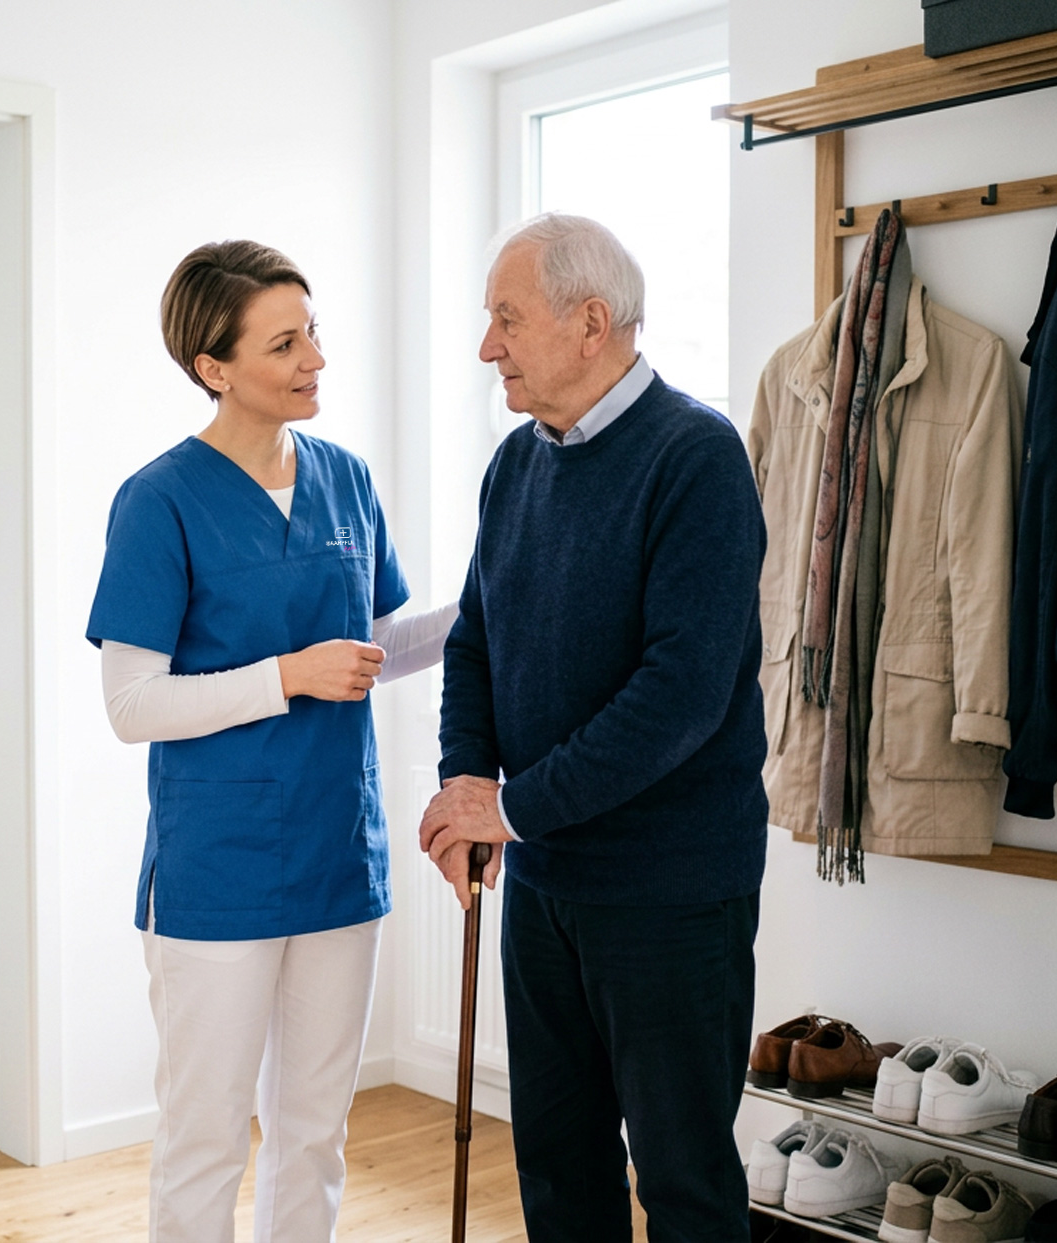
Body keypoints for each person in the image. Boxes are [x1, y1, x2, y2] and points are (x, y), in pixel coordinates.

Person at [86, 240, 456, 1243]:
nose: (314, 358)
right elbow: (133, 705)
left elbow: (373, 645)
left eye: (314, 331)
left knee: (315, 1131)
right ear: (215, 368)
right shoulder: (159, 500)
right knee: (206, 1135)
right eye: (284, 342)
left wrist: (491, 604)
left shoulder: (346, 478)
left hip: (341, 855)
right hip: (219, 871)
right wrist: (283, 677)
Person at [418, 213, 768, 1242]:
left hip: (670, 892)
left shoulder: (696, 457)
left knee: (685, 1180)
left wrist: (513, 805)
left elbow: (682, 694)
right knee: (559, 1176)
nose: (489, 346)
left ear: (590, 323)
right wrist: (466, 789)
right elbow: (476, 642)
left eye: (506, 318)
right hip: (542, 883)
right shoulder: (513, 467)